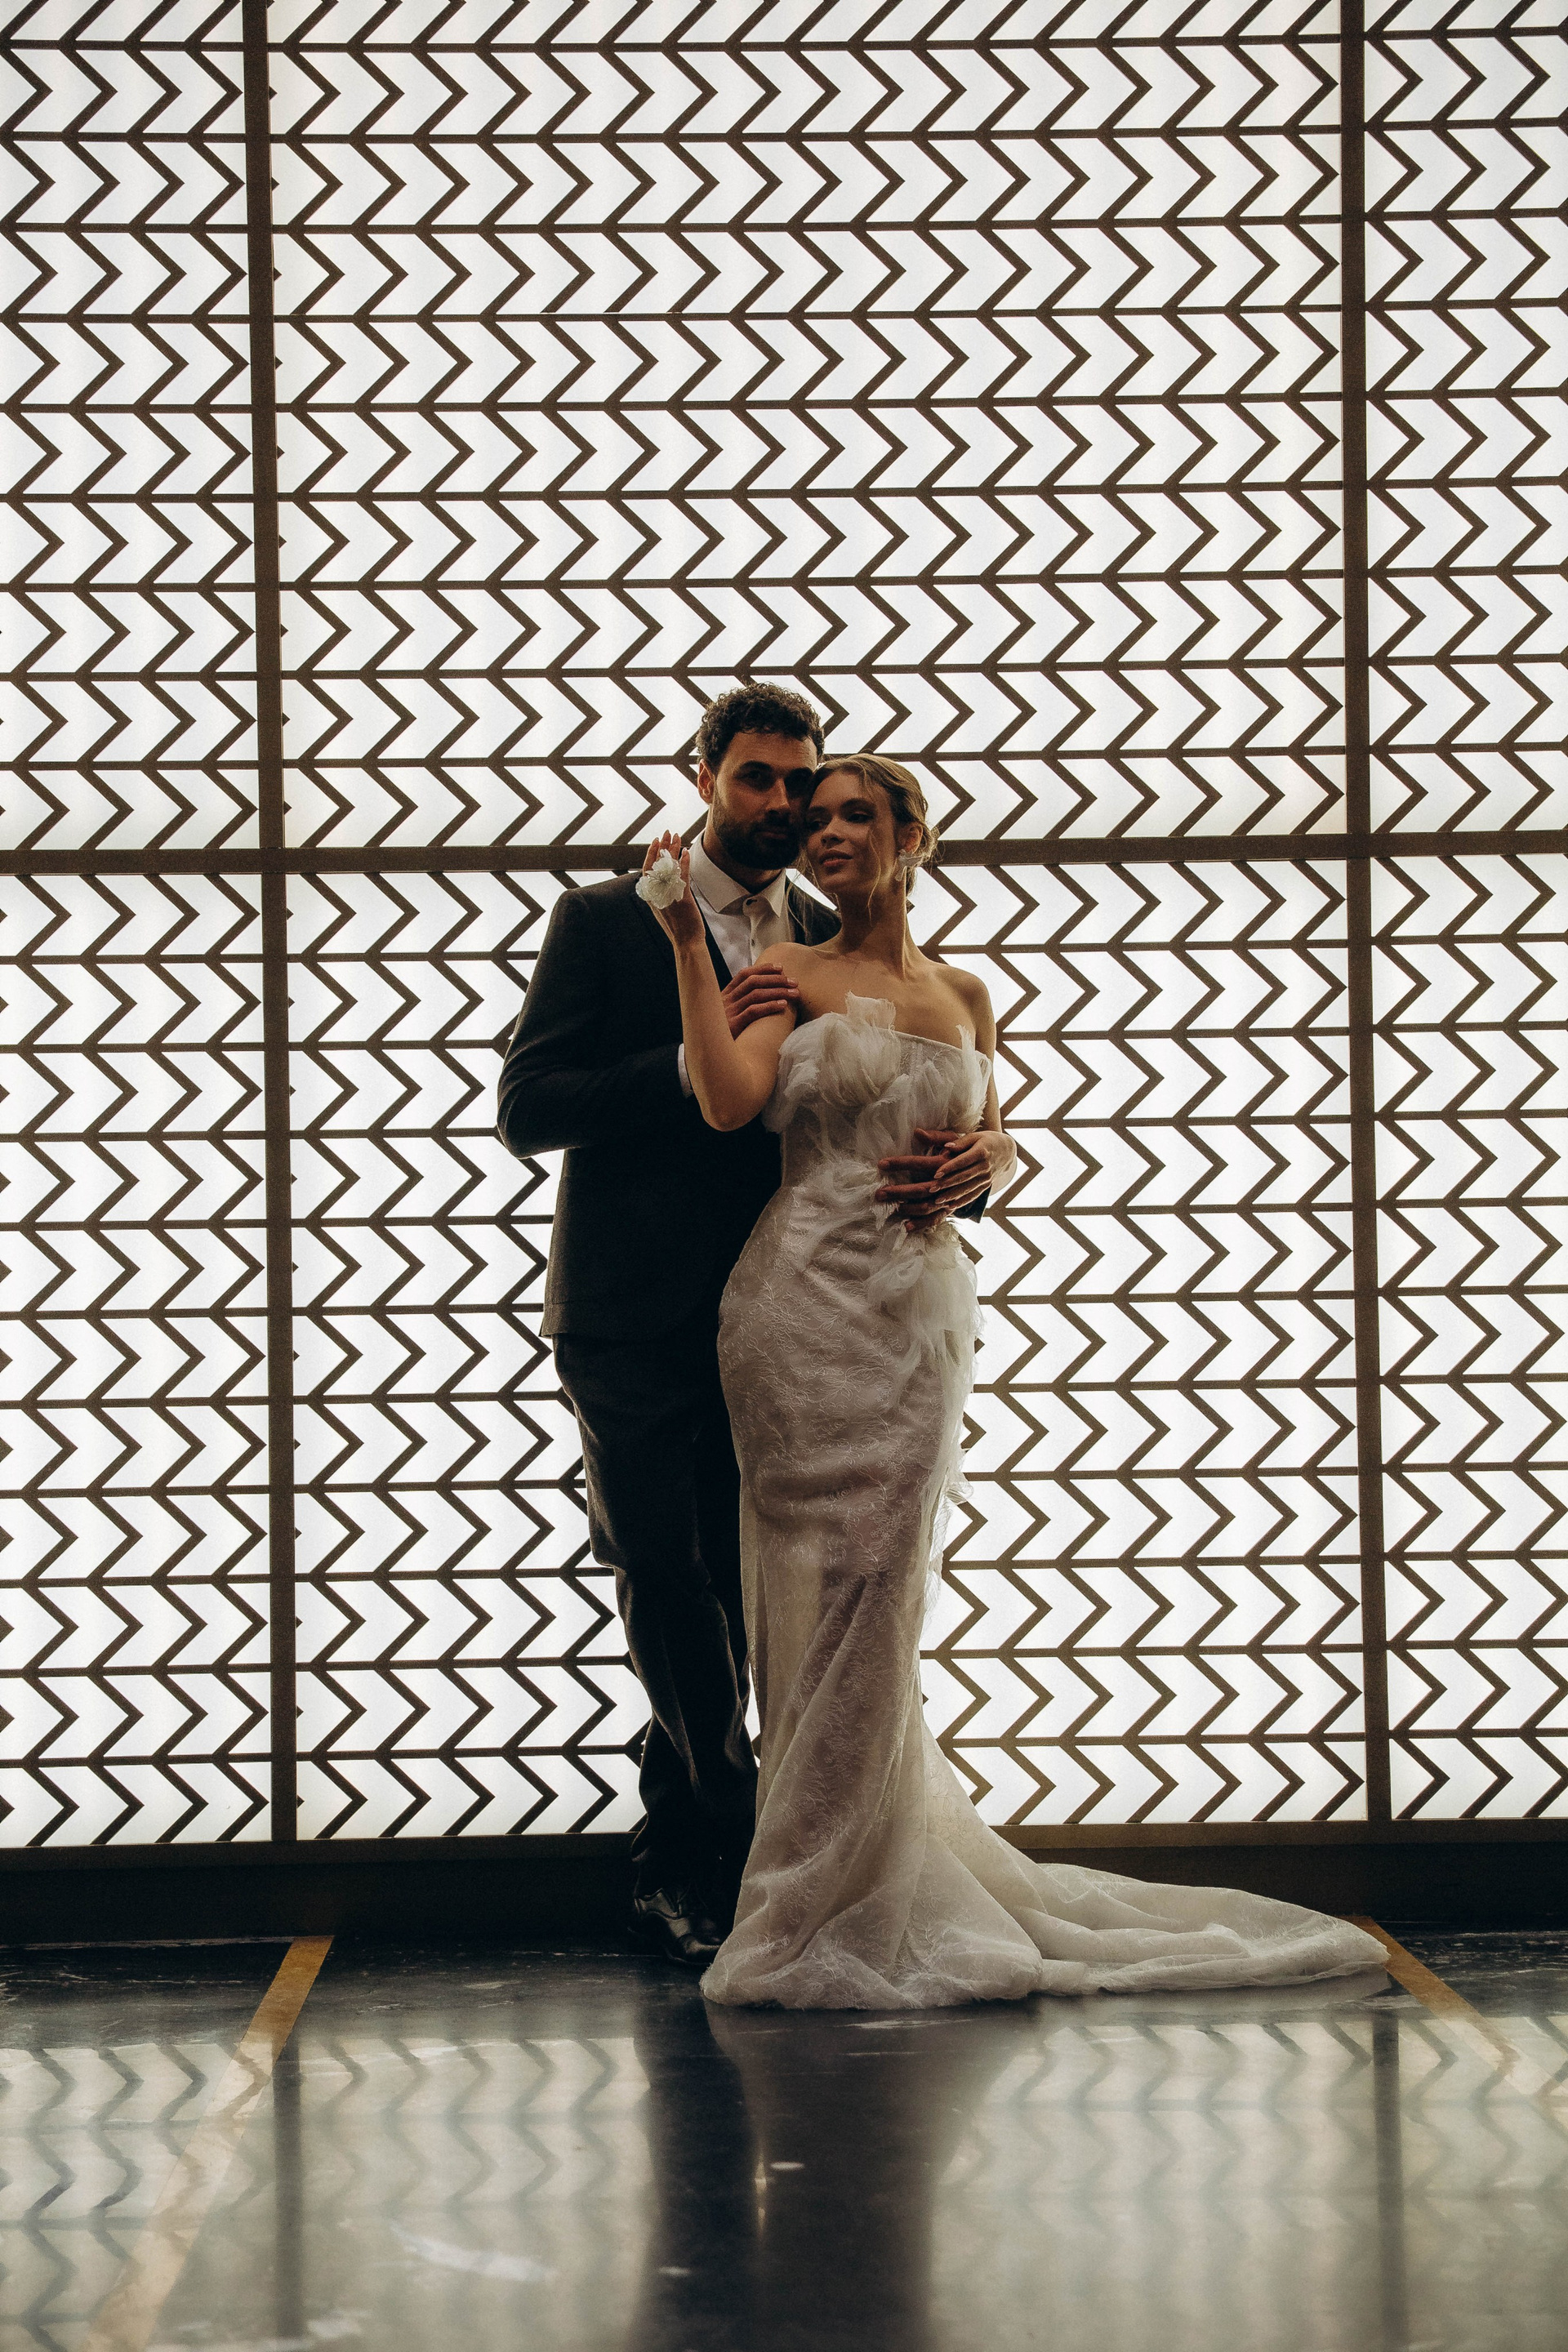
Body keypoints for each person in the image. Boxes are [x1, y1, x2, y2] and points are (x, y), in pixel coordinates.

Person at [639, 750, 1387, 2008]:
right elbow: (724, 1103)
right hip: (798, 1311)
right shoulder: (788, 973)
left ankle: (858, 1868)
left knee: (885, 1586)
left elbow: (994, 1131)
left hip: (917, 1319)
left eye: (856, 815)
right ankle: (798, 1891)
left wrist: (999, 1156)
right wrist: (680, 945)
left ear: (911, 836)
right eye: (815, 819)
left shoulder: (968, 992)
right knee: (811, 1591)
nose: (828, 833)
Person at [497, 687, 991, 1970]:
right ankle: (704, 1847)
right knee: (666, 1574)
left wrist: (987, 1160)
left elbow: (903, 1107)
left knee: (768, 1586)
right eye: (759, 779)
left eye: (801, 785)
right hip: (636, 1312)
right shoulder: (605, 920)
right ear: (704, 776)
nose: (784, 806)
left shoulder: (830, 932)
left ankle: (775, 1849)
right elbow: (529, 1105)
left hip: (812, 1321)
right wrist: (693, 1052)